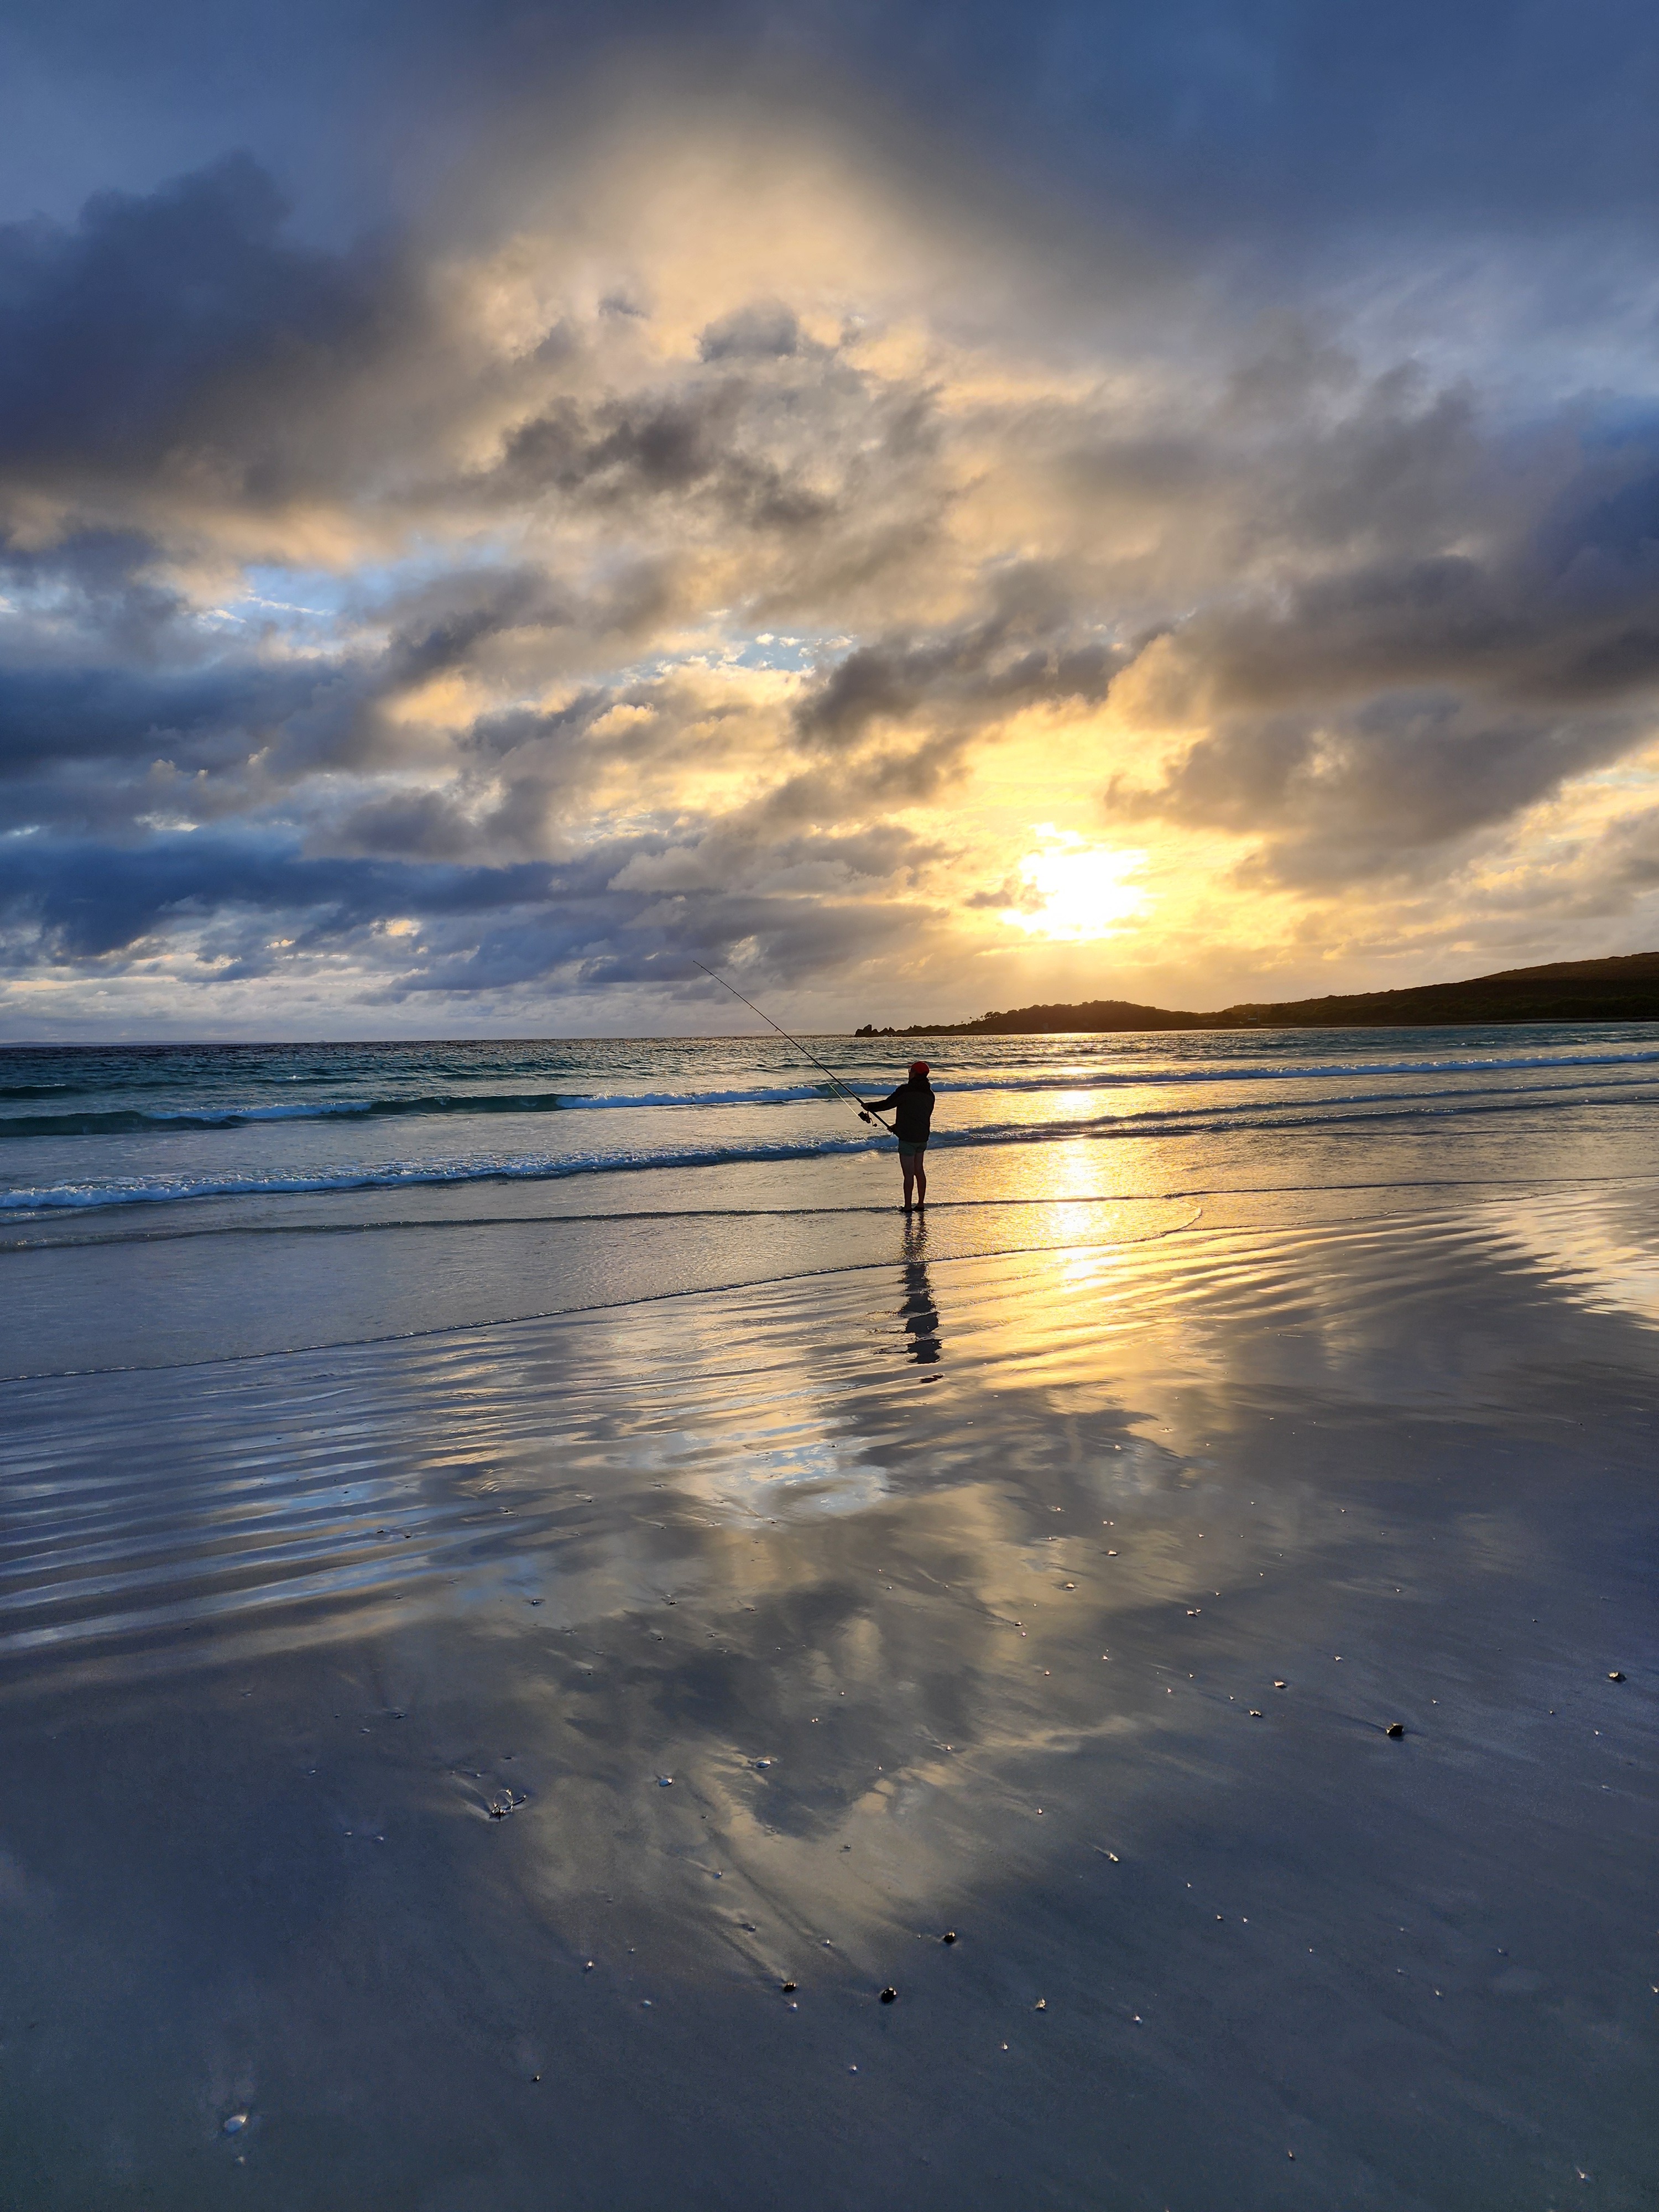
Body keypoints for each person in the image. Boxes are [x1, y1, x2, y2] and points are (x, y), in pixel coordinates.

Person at [862, 1060, 935, 1212]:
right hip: (922, 1139)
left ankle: (908, 1207)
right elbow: (919, 1116)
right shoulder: (930, 1094)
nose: (909, 1073)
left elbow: (887, 1104)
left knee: (908, 1174)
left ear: (914, 1074)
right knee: (919, 1171)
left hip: (908, 1139)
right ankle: (921, 1204)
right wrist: (898, 1127)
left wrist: (870, 1106)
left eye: (910, 1071)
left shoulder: (905, 1091)